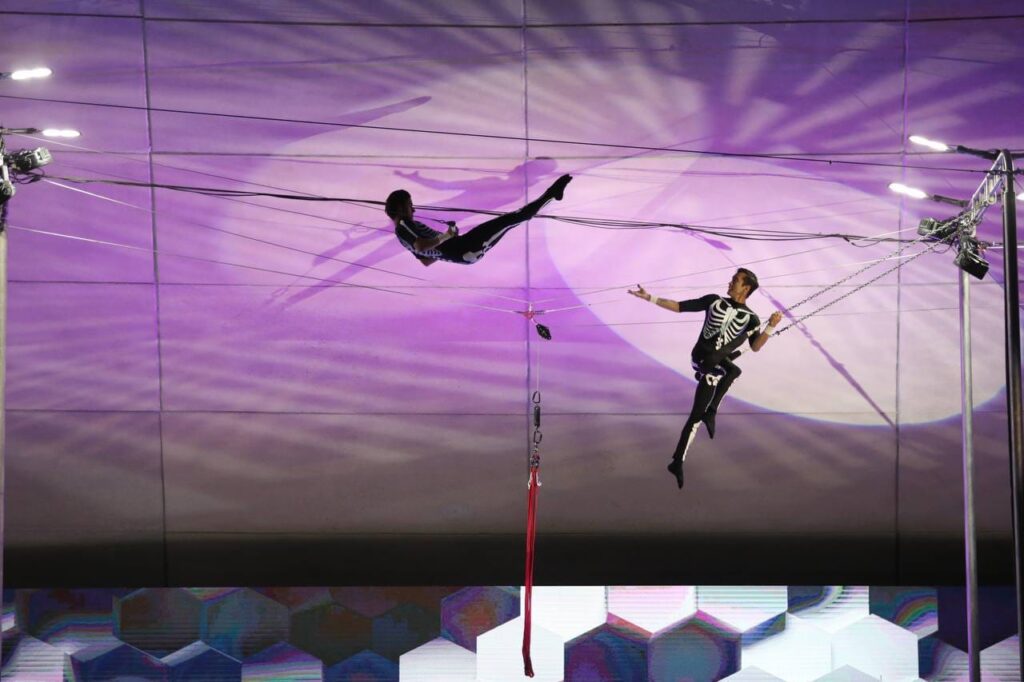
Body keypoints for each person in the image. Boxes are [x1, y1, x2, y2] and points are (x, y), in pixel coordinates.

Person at [629, 269, 783, 488]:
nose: (730, 282)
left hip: (717, 366)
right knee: (731, 371)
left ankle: (678, 460)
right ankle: (712, 411)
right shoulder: (714, 301)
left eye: (735, 280)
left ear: (746, 288)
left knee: (697, 414)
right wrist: (649, 297)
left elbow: (756, 346)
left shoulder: (751, 319)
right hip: (702, 358)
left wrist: (771, 326)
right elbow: (679, 306)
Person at [386, 174, 572, 266]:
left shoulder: (402, 239)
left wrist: (449, 239)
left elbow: (426, 260)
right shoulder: (404, 225)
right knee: (512, 219)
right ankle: (552, 194)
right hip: (466, 247)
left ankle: (551, 195)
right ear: (401, 208)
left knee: (510, 221)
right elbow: (421, 246)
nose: (413, 209)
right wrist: (447, 236)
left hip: (464, 252)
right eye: (410, 205)